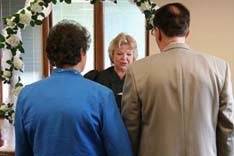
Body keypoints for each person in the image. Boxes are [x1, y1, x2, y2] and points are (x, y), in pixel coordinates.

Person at [121, 2, 234, 156]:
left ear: (157, 32)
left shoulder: (137, 71)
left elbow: (130, 130)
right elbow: (228, 128)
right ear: (187, 32)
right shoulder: (220, 68)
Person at [14, 20, 132, 156]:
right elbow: (120, 151)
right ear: (82, 53)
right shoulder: (102, 96)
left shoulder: (26, 95)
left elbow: (22, 151)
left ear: (50, 55)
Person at [92, 33, 138, 110]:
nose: (124, 58)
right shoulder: (99, 77)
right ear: (112, 55)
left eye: (129, 54)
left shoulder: (139, 78)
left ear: (133, 57)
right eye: (120, 54)